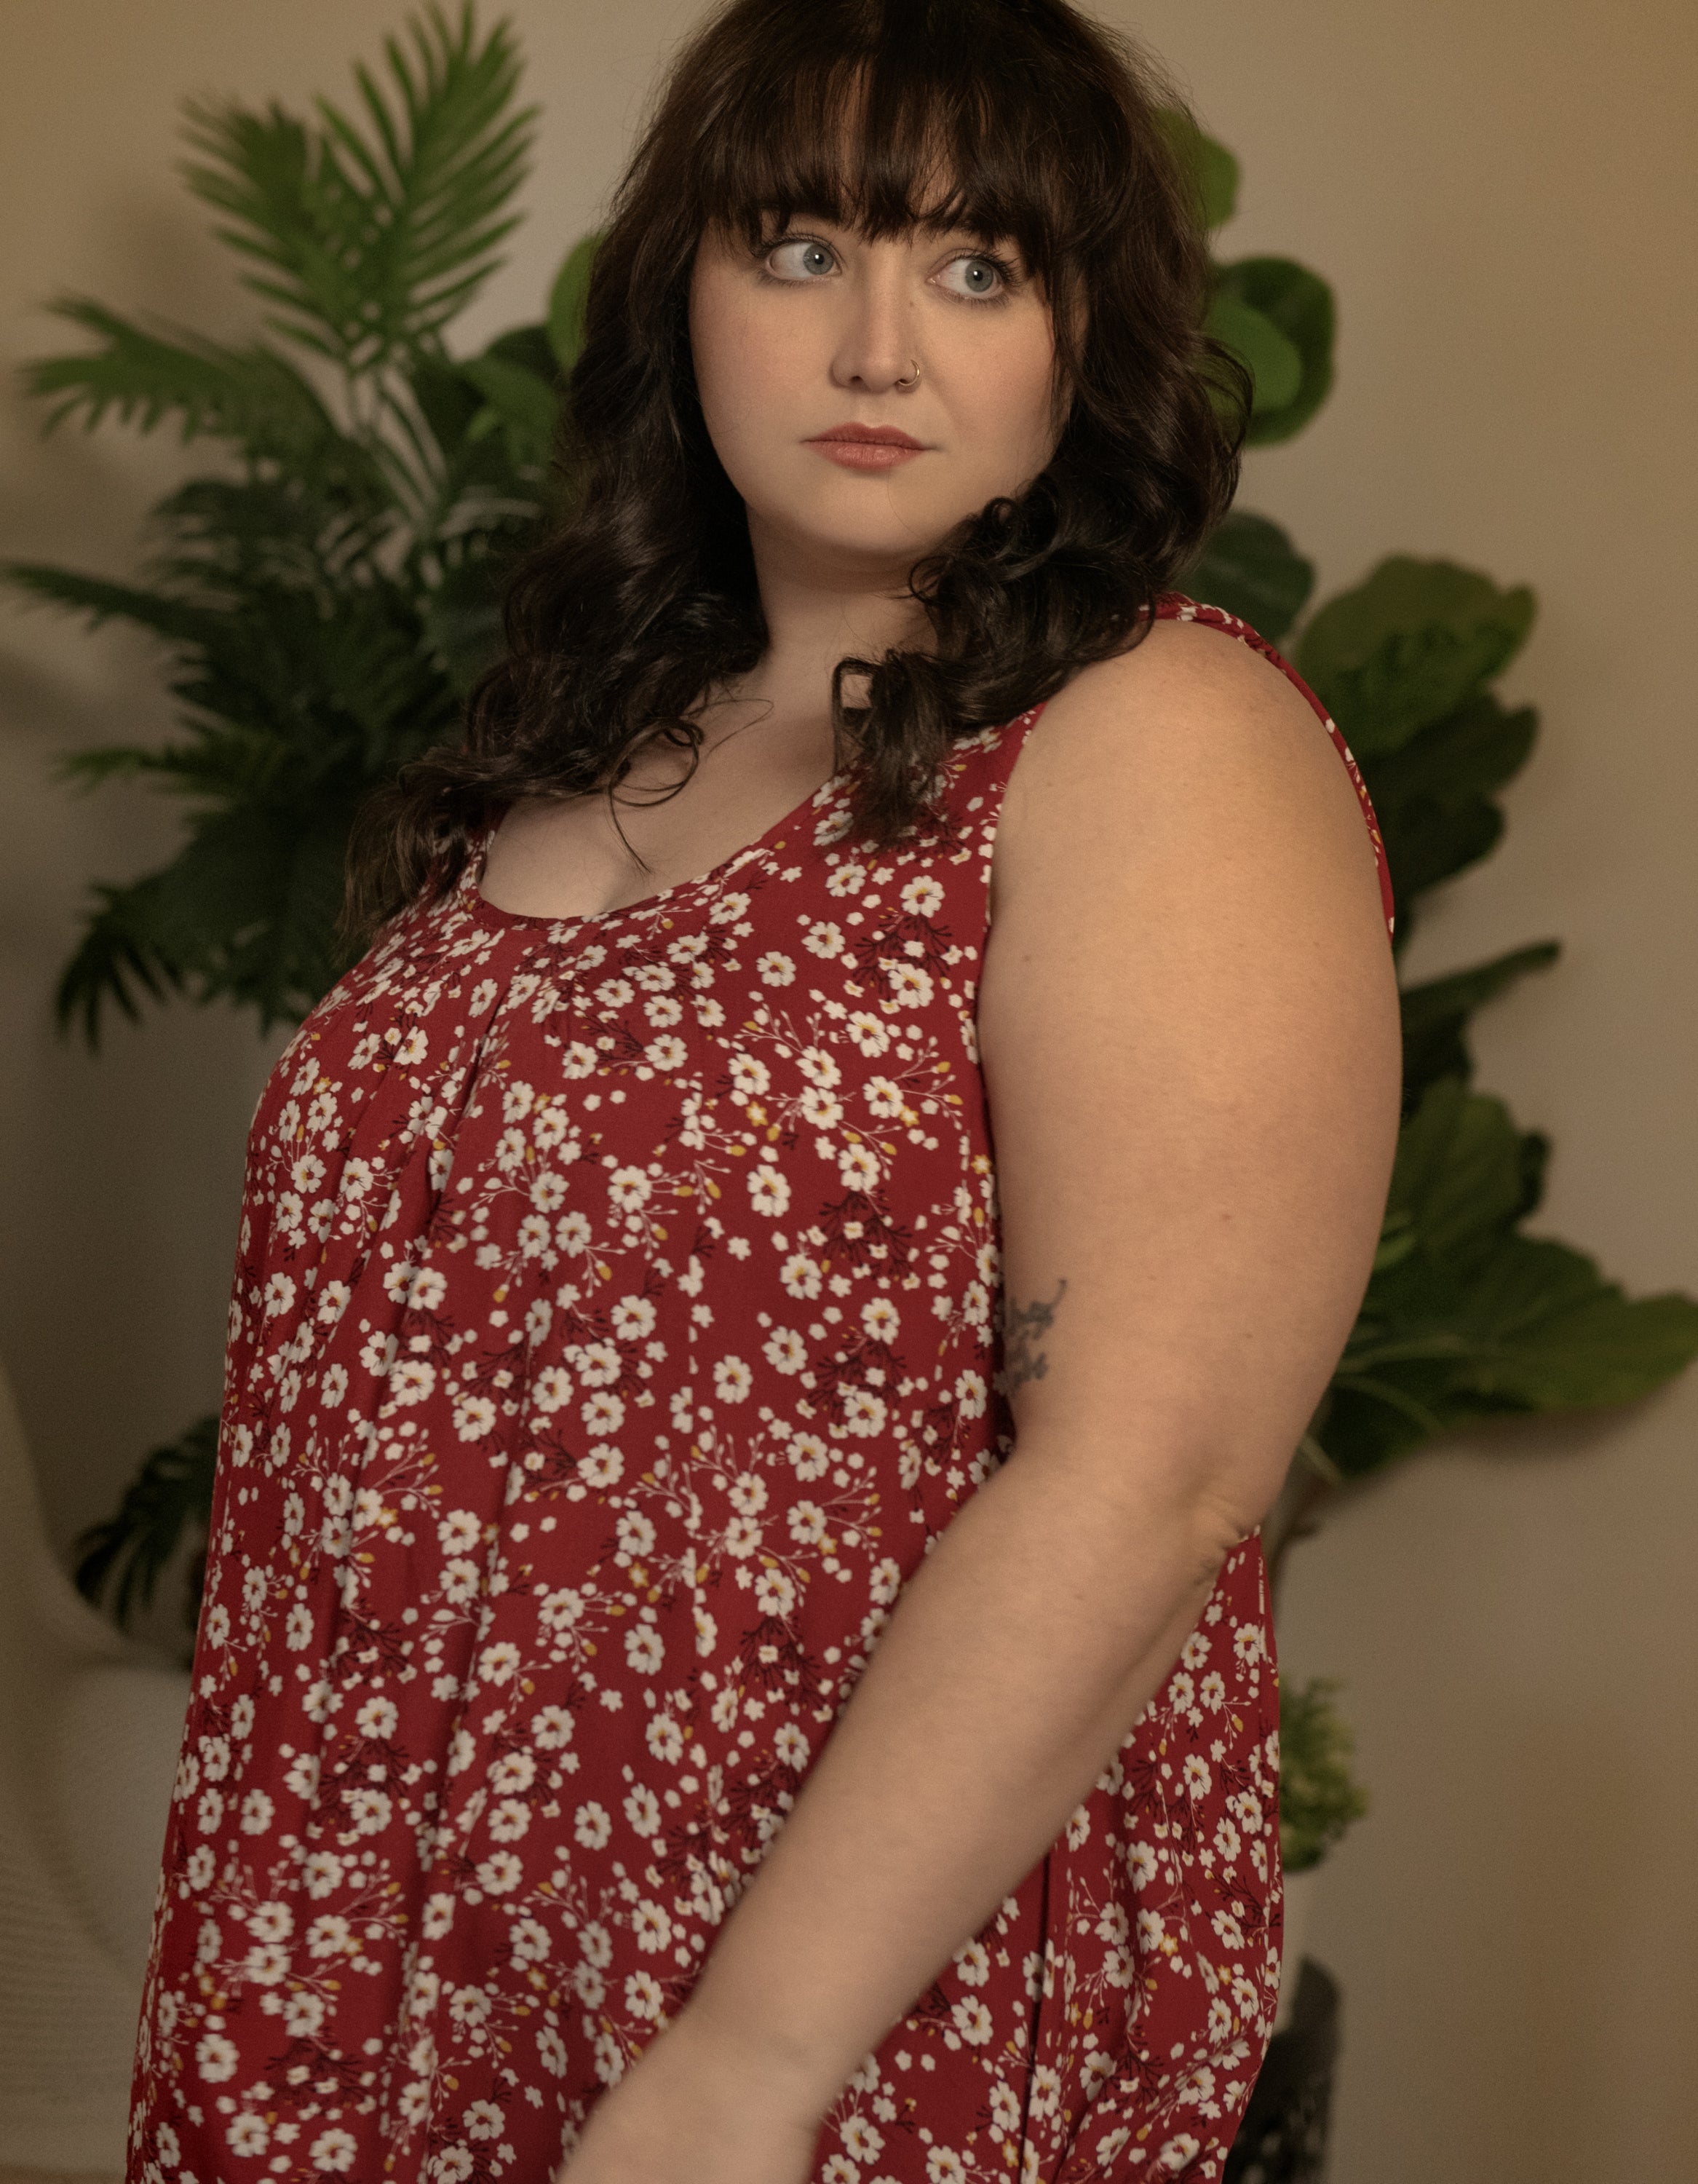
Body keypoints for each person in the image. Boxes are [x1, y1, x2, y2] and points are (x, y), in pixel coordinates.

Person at [127, 1, 1400, 2179]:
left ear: (1082, 345)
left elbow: (1153, 1474)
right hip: (345, 1975)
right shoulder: (566, 754)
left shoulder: (1154, 741)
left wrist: (742, 2067)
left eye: (977, 268)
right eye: (803, 248)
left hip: (814, 2011)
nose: (877, 347)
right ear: (682, 298)